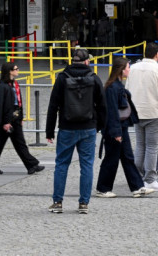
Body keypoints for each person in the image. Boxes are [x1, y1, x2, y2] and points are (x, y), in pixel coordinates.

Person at [46, 49, 107, 214]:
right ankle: (83, 204)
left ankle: (58, 202)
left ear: (72, 61)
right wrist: (100, 126)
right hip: (88, 128)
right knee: (86, 165)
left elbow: (53, 105)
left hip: (67, 127)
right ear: (87, 62)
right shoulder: (94, 79)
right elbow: (102, 106)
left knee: (61, 165)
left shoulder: (62, 78)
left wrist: (49, 131)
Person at [95, 57, 154, 198]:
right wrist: (116, 132)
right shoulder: (112, 88)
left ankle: (137, 187)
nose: (129, 69)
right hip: (115, 129)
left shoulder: (117, 86)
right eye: (128, 67)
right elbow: (112, 112)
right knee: (111, 159)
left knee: (127, 157)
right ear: (121, 69)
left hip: (121, 128)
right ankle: (103, 188)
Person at [126, 43, 158, 191]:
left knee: (140, 145)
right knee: (152, 147)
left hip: (137, 111)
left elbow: (127, 89)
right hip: (155, 112)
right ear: (157, 55)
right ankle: (150, 179)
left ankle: (137, 176)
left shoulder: (133, 68)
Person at [0, 62, 44, 175]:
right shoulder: (1, 87)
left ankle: (31, 165)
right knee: (0, 144)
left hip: (15, 118)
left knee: (20, 143)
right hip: (6, 121)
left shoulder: (14, 85)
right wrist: (4, 122)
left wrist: (20, 117)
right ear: (10, 71)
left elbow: (18, 103)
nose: (18, 70)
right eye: (16, 69)